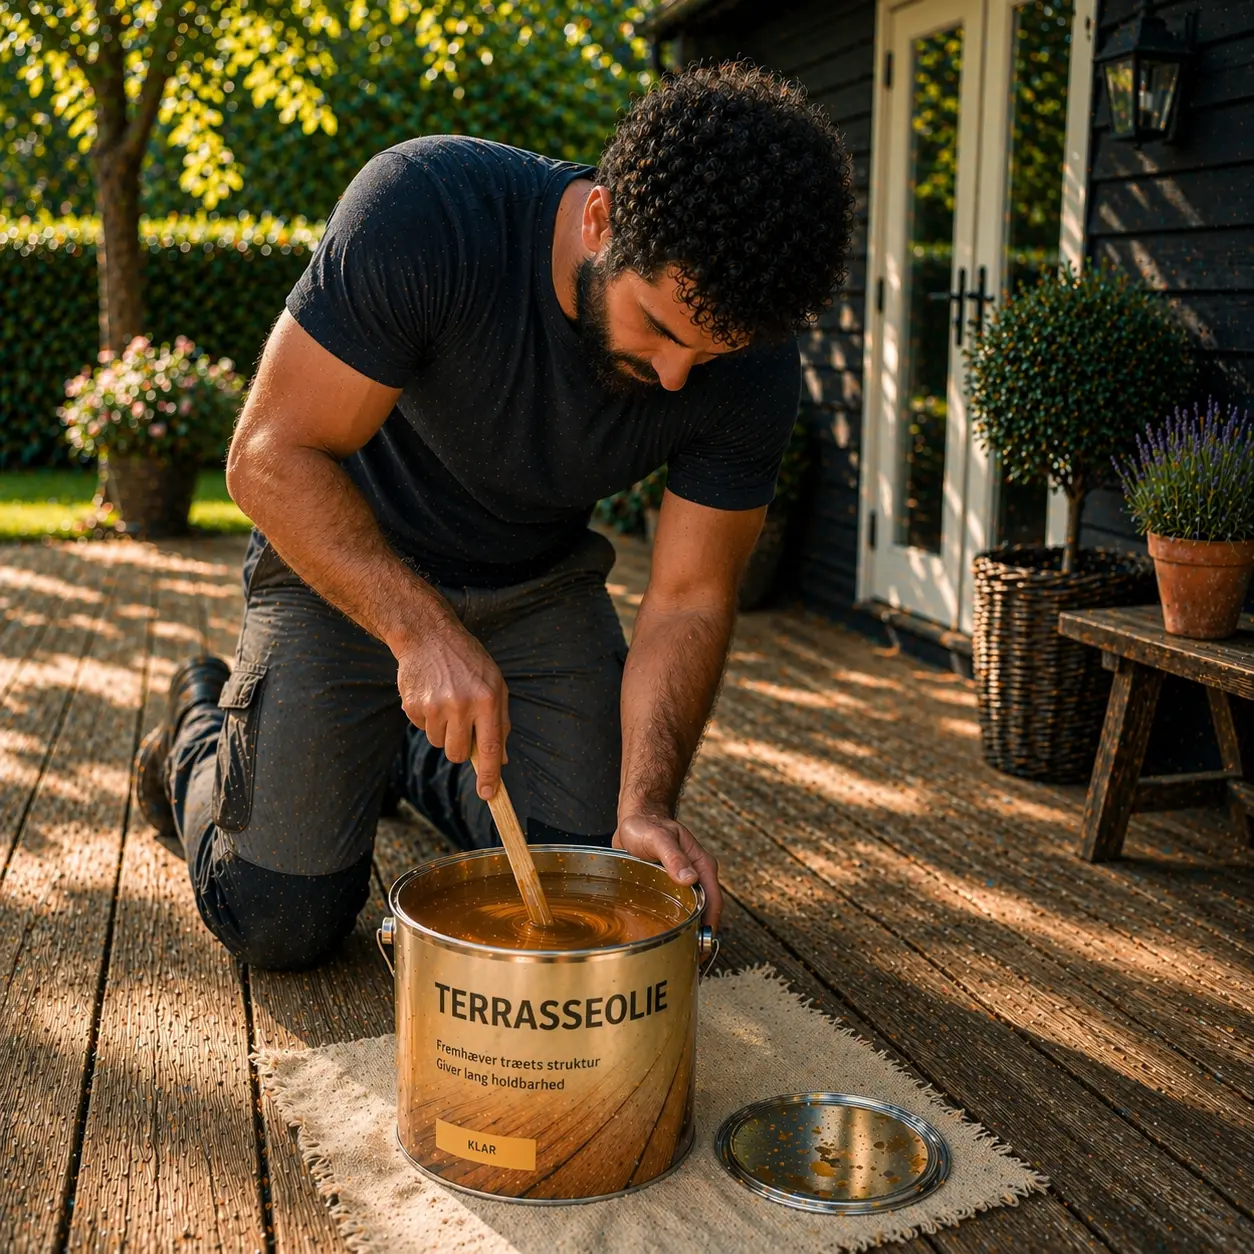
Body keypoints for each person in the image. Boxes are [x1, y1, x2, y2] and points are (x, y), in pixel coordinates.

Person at [135, 61, 853, 970]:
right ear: (599, 220)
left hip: (538, 590)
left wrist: (644, 807)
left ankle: (398, 754)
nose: (678, 379)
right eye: (661, 330)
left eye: (711, 356)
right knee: (276, 918)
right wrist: (423, 634)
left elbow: (689, 598)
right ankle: (199, 729)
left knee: (595, 883)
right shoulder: (428, 206)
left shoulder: (748, 362)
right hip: (345, 572)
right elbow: (267, 457)